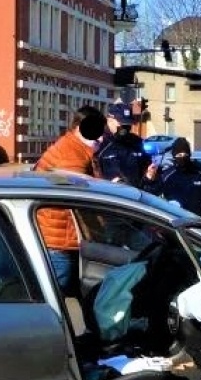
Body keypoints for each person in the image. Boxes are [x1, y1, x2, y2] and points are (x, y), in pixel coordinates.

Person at [33, 106, 106, 293]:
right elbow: (82, 201)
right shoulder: (71, 155)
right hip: (58, 240)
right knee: (53, 296)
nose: (101, 138)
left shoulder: (75, 148)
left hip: (58, 237)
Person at [144, 137, 201, 218]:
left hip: (196, 221)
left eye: (185, 154)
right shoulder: (168, 175)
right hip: (174, 221)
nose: (182, 157)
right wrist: (148, 179)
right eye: (179, 155)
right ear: (174, 156)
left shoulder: (200, 174)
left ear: (189, 155)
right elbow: (150, 194)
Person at [94, 101, 148, 188]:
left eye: (128, 125)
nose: (125, 129)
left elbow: (148, 174)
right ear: (109, 120)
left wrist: (149, 178)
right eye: (122, 125)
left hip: (135, 195)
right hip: (107, 195)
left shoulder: (137, 143)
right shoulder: (98, 143)